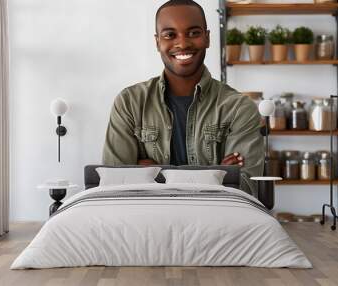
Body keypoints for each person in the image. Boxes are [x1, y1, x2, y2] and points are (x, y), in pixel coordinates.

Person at [102, 0, 264, 197]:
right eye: (170, 35)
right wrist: (216, 175)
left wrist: (154, 174)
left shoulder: (239, 108)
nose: (182, 43)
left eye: (194, 33)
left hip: (214, 224)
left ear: (207, 38)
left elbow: (246, 189)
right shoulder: (129, 103)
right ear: (157, 42)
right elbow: (113, 185)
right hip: (146, 223)